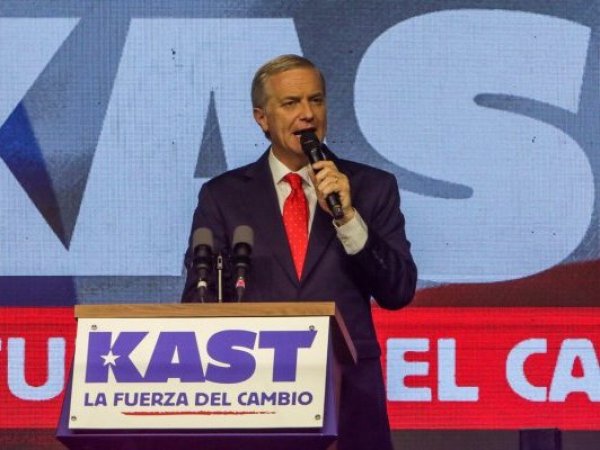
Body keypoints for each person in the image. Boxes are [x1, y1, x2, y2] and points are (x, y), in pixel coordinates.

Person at [182, 54, 417, 450]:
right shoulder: (223, 196)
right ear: (262, 118)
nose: (307, 114)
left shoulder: (371, 187)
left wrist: (348, 218)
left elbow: (398, 291)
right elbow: (197, 301)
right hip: (252, 396)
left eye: (316, 100)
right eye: (291, 103)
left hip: (349, 398)